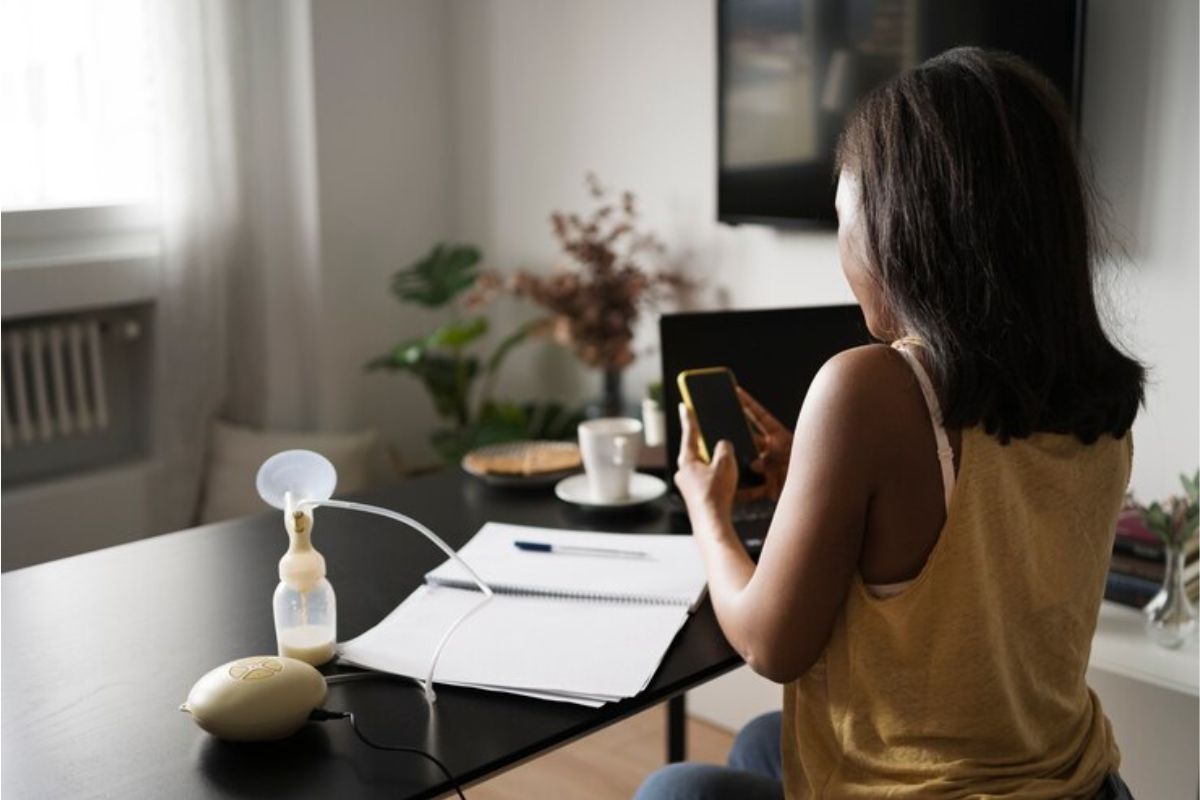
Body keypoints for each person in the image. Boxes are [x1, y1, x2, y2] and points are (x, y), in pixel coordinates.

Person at [635, 47, 1143, 800]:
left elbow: (770, 643)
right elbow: (957, 568)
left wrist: (708, 510)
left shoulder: (871, 388)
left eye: (843, 219)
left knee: (671, 790)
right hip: (1076, 780)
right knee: (763, 741)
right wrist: (810, 482)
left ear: (902, 229)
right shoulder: (1097, 395)